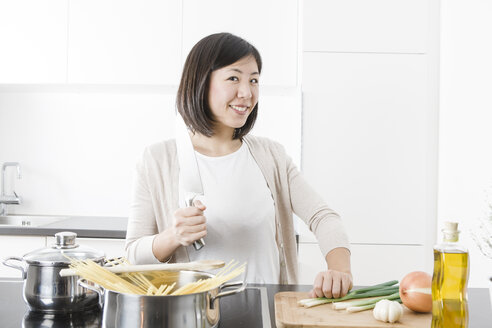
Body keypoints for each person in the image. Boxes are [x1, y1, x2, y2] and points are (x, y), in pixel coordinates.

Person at [125, 32, 352, 298]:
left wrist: (340, 271)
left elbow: (323, 217)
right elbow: (132, 256)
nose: (246, 93)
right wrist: (172, 237)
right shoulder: (157, 160)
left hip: (266, 312)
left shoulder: (272, 157)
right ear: (201, 82)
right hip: (194, 315)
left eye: (253, 80)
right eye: (233, 78)